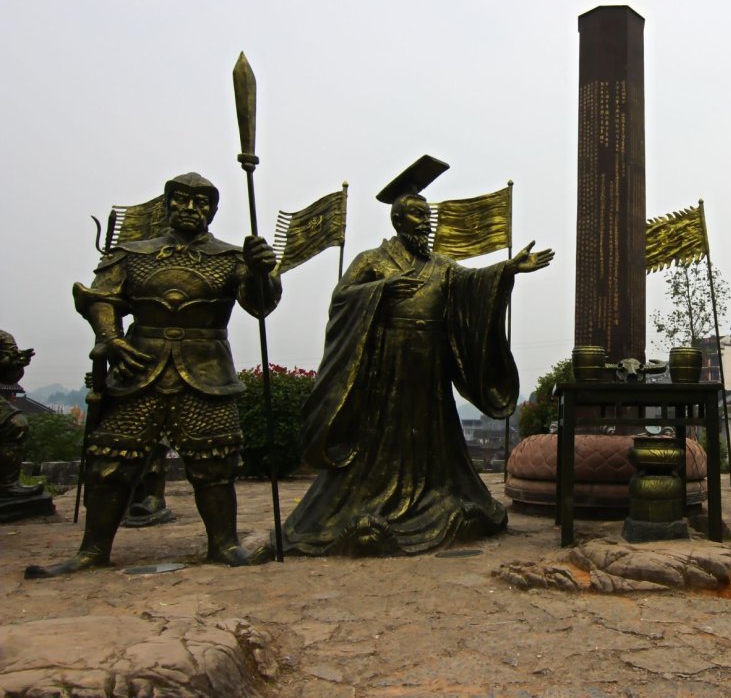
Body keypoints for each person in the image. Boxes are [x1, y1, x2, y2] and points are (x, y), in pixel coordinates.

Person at [278, 156, 554, 557]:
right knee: (383, 437)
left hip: (430, 369)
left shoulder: (441, 266)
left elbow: (471, 285)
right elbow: (341, 299)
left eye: (427, 216)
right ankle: (372, 500)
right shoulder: (372, 260)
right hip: (387, 366)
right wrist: (380, 291)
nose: (425, 223)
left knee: (432, 437)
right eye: (417, 215)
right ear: (398, 220)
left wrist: (506, 270)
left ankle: (438, 497)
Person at [26, 172, 280, 578]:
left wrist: (261, 271)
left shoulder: (232, 257)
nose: (190, 208)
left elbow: (260, 305)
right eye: (181, 199)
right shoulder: (132, 253)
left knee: (215, 463)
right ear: (167, 204)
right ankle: (92, 550)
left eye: (201, 201)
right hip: (139, 365)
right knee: (111, 461)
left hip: (207, 368)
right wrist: (110, 338)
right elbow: (100, 298)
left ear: (213, 210)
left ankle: (225, 544)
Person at [1, 331, 50, 513]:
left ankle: (7, 485)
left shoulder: (4, 338)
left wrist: (16, 363)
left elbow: (9, 378)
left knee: (15, 424)